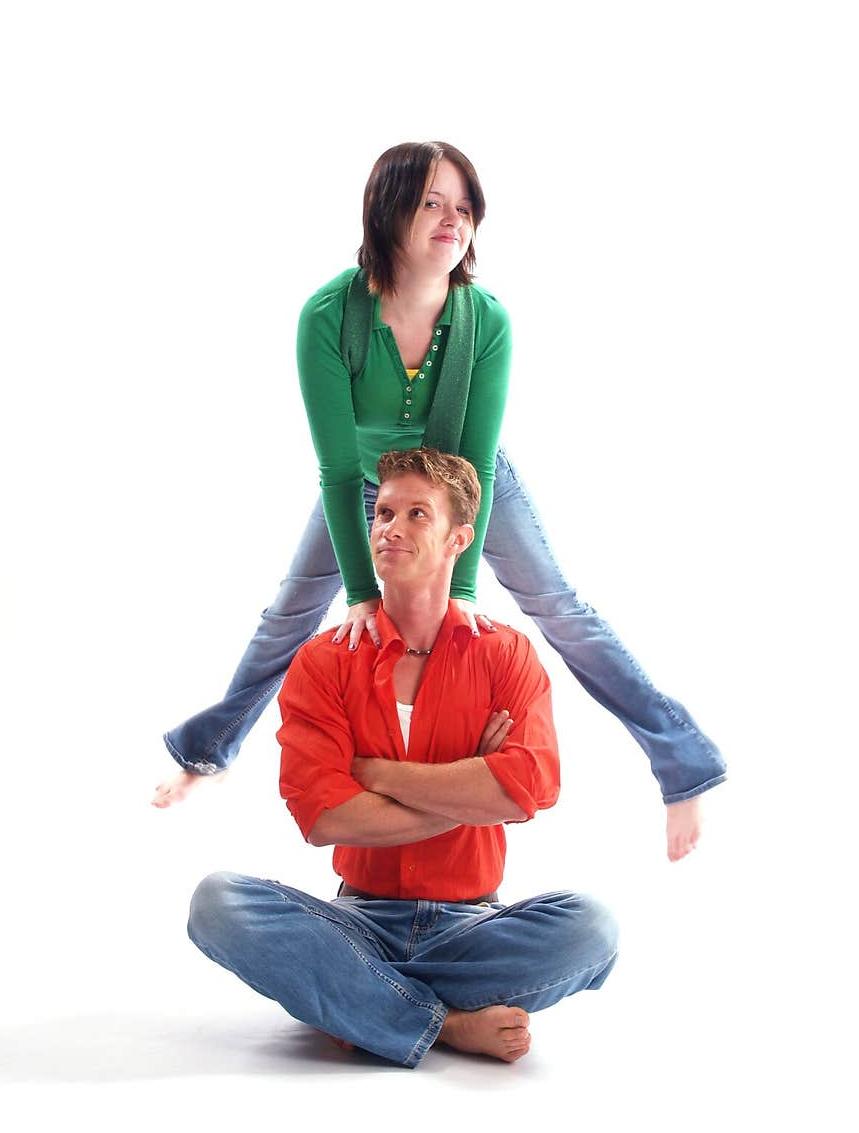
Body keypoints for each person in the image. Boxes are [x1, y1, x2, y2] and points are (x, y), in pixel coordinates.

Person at [155, 139, 725, 861]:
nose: (452, 220)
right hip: (366, 484)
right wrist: (362, 592)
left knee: (557, 604)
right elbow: (335, 469)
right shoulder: (329, 317)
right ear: (387, 211)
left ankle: (684, 762)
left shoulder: (487, 322)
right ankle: (208, 749)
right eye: (431, 202)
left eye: (464, 206)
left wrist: (458, 591)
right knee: (288, 616)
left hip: (466, 480)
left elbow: (476, 461)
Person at [187, 450, 619, 1066]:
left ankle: (357, 1002)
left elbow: (531, 787)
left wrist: (378, 775)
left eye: (418, 514)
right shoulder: (324, 661)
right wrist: (473, 792)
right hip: (356, 922)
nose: (391, 527)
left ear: (458, 541)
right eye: (384, 512)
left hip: (473, 927)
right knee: (218, 903)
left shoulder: (505, 656)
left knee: (592, 928)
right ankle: (442, 1023)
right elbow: (325, 819)